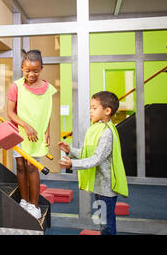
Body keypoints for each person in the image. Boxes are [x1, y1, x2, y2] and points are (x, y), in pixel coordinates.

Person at [58, 91, 128, 235]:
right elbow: (87, 154)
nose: (90, 111)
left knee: (106, 224)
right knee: (102, 221)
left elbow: (96, 159)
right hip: (99, 187)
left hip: (106, 189)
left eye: (94, 108)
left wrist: (73, 165)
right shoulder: (96, 128)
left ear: (107, 111)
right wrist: (70, 150)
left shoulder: (106, 133)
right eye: (91, 107)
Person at [6, 50, 57, 220]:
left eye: (35, 70)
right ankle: (24, 200)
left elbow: (47, 112)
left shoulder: (48, 88)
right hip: (18, 132)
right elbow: (10, 113)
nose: (31, 74)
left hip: (36, 136)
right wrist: (25, 126)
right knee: (20, 166)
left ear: (41, 69)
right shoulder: (16, 86)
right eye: (27, 70)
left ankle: (34, 205)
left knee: (31, 166)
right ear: (22, 68)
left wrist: (47, 132)